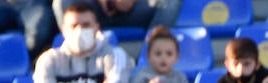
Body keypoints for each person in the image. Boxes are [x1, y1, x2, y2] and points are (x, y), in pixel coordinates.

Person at [50, 0, 178, 37]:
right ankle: (73, 51)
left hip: (136, 11)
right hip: (95, 11)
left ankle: (151, 54)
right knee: (61, 2)